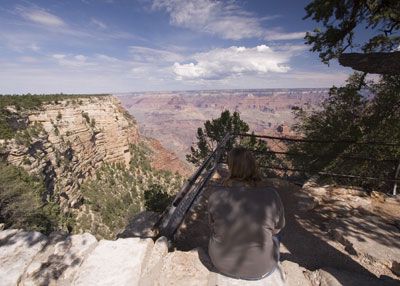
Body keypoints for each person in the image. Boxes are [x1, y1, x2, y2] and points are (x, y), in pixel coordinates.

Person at [207, 147, 285, 282]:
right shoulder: (272, 196)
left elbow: (212, 226)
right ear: (253, 165)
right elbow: (277, 228)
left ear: (231, 167)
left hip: (220, 263)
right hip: (261, 269)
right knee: (278, 234)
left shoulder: (215, 197)